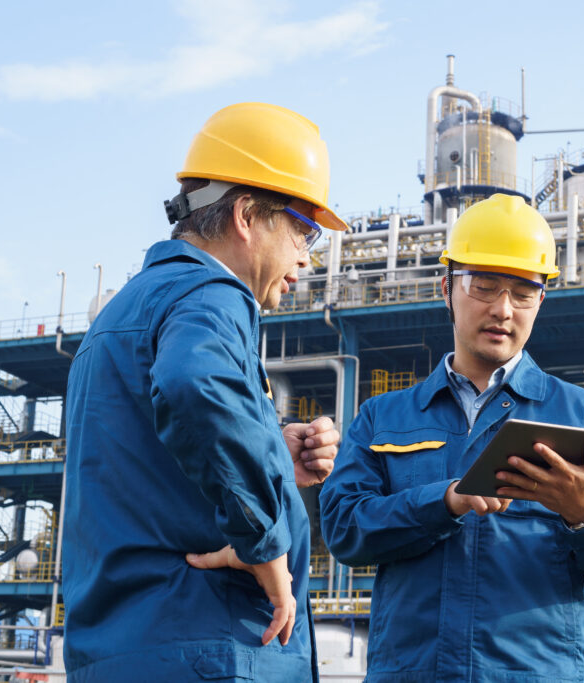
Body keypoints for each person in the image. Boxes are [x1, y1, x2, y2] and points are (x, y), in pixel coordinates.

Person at [63, 103, 347, 681]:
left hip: (123, 648)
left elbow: (154, 460)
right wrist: (265, 537)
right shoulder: (213, 292)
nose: (304, 258)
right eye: (302, 229)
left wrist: (269, 449)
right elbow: (193, 383)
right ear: (247, 214)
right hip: (210, 645)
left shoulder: (118, 317)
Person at [319, 193, 584, 682]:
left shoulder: (582, 416)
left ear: (542, 299)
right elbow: (344, 530)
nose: (503, 309)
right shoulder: (383, 417)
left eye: (522, 291)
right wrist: (444, 502)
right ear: (446, 287)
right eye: (483, 285)